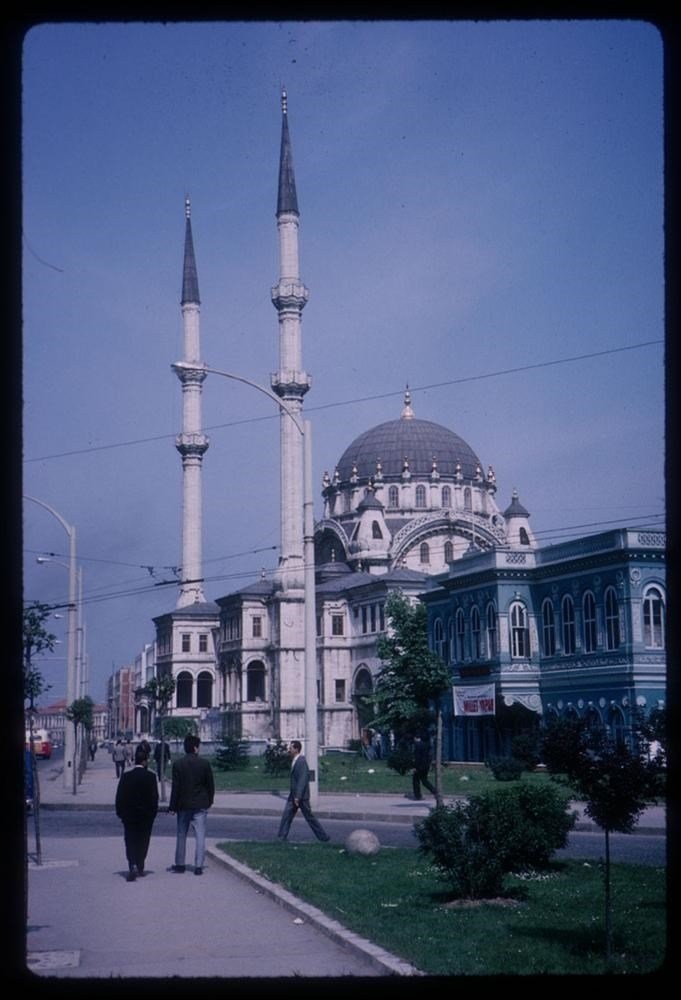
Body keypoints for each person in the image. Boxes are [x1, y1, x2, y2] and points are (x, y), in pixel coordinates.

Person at [168, 733, 215, 875]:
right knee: (200, 835)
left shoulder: (178, 764)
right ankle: (199, 866)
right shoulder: (204, 764)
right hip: (200, 804)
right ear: (195, 748)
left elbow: (175, 787)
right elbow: (210, 785)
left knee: (181, 834)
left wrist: (172, 806)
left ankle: (180, 864)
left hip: (183, 805)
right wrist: (209, 801)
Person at [115, 745, 159, 881]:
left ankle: (132, 863)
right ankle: (140, 865)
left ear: (135, 761)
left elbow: (119, 796)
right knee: (143, 840)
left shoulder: (126, 776)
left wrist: (120, 813)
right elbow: (154, 798)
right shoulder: (151, 777)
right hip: (146, 816)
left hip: (129, 816)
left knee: (130, 840)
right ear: (145, 762)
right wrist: (153, 814)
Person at [277, 740, 330, 842]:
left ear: (296, 749)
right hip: (294, 795)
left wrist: (298, 796)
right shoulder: (295, 760)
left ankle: (323, 837)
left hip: (301, 796)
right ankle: (281, 837)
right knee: (287, 815)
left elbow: (302, 779)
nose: (289, 750)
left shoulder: (301, 762)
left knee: (309, 817)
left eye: (291, 748)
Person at [412, 734, 437, 800]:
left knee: (416, 780)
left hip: (419, 766)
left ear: (416, 738)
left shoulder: (417, 745)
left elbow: (417, 758)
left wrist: (415, 767)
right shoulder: (426, 745)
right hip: (426, 765)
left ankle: (418, 795)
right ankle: (434, 791)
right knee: (424, 780)